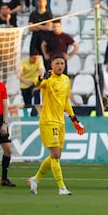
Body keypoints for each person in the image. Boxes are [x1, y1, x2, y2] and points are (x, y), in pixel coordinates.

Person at [27, 54, 85, 195]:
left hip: (60, 121)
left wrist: (74, 120)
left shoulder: (65, 80)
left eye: (62, 63)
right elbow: (36, 83)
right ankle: (62, 188)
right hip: (48, 121)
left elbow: (66, 101)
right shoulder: (47, 79)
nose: (60, 66)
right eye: (57, 63)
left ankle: (35, 179)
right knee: (55, 154)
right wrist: (41, 77)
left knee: (56, 155)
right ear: (51, 65)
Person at [17, 50, 45, 115]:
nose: (35, 60)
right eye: (34, 58)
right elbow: (19, 75)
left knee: (36, 95)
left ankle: (37, 113)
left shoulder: (39, 62)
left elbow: (41, 73)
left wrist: (38, 83)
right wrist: (26, 82)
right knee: (27, 104)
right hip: (25, 84)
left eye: (37, 58)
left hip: (35, 83)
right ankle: (29, 116)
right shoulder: (23, 62)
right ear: (30, 57)